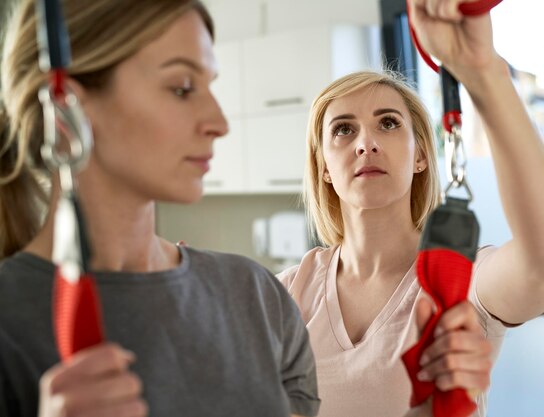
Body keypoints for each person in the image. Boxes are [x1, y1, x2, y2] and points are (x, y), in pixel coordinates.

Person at [0, 1, 320, 416]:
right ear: (66, 110)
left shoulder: (256, 297)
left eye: (211, 86)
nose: (219, 122)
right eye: (183, 88)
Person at [277, 1, 544, 416]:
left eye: (388, 123)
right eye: (343, 130)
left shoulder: (461, 283)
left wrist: (483, 71)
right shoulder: (288, 293)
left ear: (421, 154)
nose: (365, 143)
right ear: (324, 168)